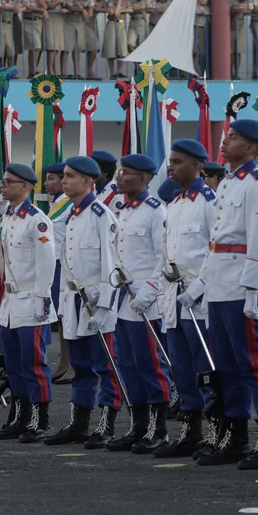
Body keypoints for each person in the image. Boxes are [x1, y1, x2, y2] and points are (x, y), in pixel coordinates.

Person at [181, 120, 258, 469]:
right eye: (228, 136)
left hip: (244, 287)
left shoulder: (256, 184)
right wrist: (199, 287)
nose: (225, 141)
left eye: (235, 138)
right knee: (225, 367)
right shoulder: (227, 182)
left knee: (253, 365)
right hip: (221, 288)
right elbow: (217, 243)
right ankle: (235, 434)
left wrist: (252, 290)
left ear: (252, 148)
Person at [43, 156, 124, 447]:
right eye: (63, 175)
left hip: (96, 302)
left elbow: (112, 266)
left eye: (70, 176)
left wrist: (104, 306)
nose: (63, 181)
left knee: (105, 364)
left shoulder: (102, 215)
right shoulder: (73, 214)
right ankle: (79, 422)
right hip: (74, 300)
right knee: (80, 364)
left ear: (89, 181)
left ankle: (107, 421)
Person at [107, 154, 172, 453]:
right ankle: (138, 425)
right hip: (124, 298)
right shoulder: (125, 210)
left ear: (145, 179)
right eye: (120, 172)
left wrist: (149, 293)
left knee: (150, 364)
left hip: (146, 299)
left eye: (127, 173)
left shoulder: (155, 211)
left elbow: (164, 257)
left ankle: (159, 429)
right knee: (127, 364)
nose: (119, 177)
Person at [156, 140, 216, 458]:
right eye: (171, 162)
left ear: (197, 165)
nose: (172, 167)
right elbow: (169, 250)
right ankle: (189, 432)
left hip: (199, 297)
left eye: (178, 162)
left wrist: (198, 288)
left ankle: (215, 431)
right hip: (174, 297)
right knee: (180, 366)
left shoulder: (208, 200)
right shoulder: (175, 203)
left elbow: (215, 249)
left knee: (204, 365)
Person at [0, 163, 56, 442]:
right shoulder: (7, 218)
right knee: (15, 364)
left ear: (26, 187)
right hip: (10, 301)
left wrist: (42, 300)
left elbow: (46, 265)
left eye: (9, 181)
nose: (3, 185)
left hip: (31, 299)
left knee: (34, 364)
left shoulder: (36, 220)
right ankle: (19, 415)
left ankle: (39, 419)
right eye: (3, 181)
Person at [43, 164, 73, 383]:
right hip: (53, 265)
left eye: (51, 178)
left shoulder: (70, 204)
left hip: (64, 266)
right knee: (61, 318)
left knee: (68, 317)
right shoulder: (55, 205)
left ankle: (72, 364)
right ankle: (64, 362)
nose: (46, 183)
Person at [104, 0, 132, 78]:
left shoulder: (126, 0)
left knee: (122, 48)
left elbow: (130, 9)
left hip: (121, 23)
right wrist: (119, 3)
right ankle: (112, 73)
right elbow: (114, 13)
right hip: (112, 22)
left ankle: (119, 71)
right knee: (111, 49)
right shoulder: (110, 0)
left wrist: (121, 9)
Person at [42, 0, 66, 75]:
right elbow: (48, 5)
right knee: (51, 46)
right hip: (51, 18)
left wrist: (65, 8)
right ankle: (50, 70)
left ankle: (57, 70)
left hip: (60, 18)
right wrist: (59, 1)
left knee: (58, 47)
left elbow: (64, 4)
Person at [230, 0, 252, 78]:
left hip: (240, 26)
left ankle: (236, 73)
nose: (243, 0)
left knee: (239, 51)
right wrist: (239, 10)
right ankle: (230, 72)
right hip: (230, 26)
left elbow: (251, 9)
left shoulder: (247, 0)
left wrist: (243, 11)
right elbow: (228, 9)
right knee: (230, 52)